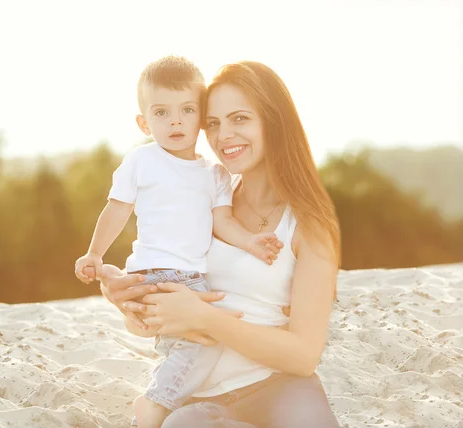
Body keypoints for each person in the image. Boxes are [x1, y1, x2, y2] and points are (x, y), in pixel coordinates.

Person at [100, 60, 341, 427]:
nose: (223, 134)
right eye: (213, 123)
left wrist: (206, 318)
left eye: (239, 118)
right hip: (197, 397)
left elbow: (304, 356)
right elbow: (157, 311)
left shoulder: (310, 224)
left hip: (280, 386)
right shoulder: (204, 198)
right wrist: (128, 299)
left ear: (273, 121)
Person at [74, 56, 282, 428]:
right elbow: (117, 210)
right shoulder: (142, 160)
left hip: (192, 278)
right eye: (162, 112)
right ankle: (154, 407)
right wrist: (95, 252)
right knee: (207, 340)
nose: (175, 121)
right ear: (144, 122)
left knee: (183, 345)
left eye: (187, 110)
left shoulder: (214, 174)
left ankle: (165, 406)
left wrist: (251, 242)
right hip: (153, 272)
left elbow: (224, 221)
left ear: (201, 117)